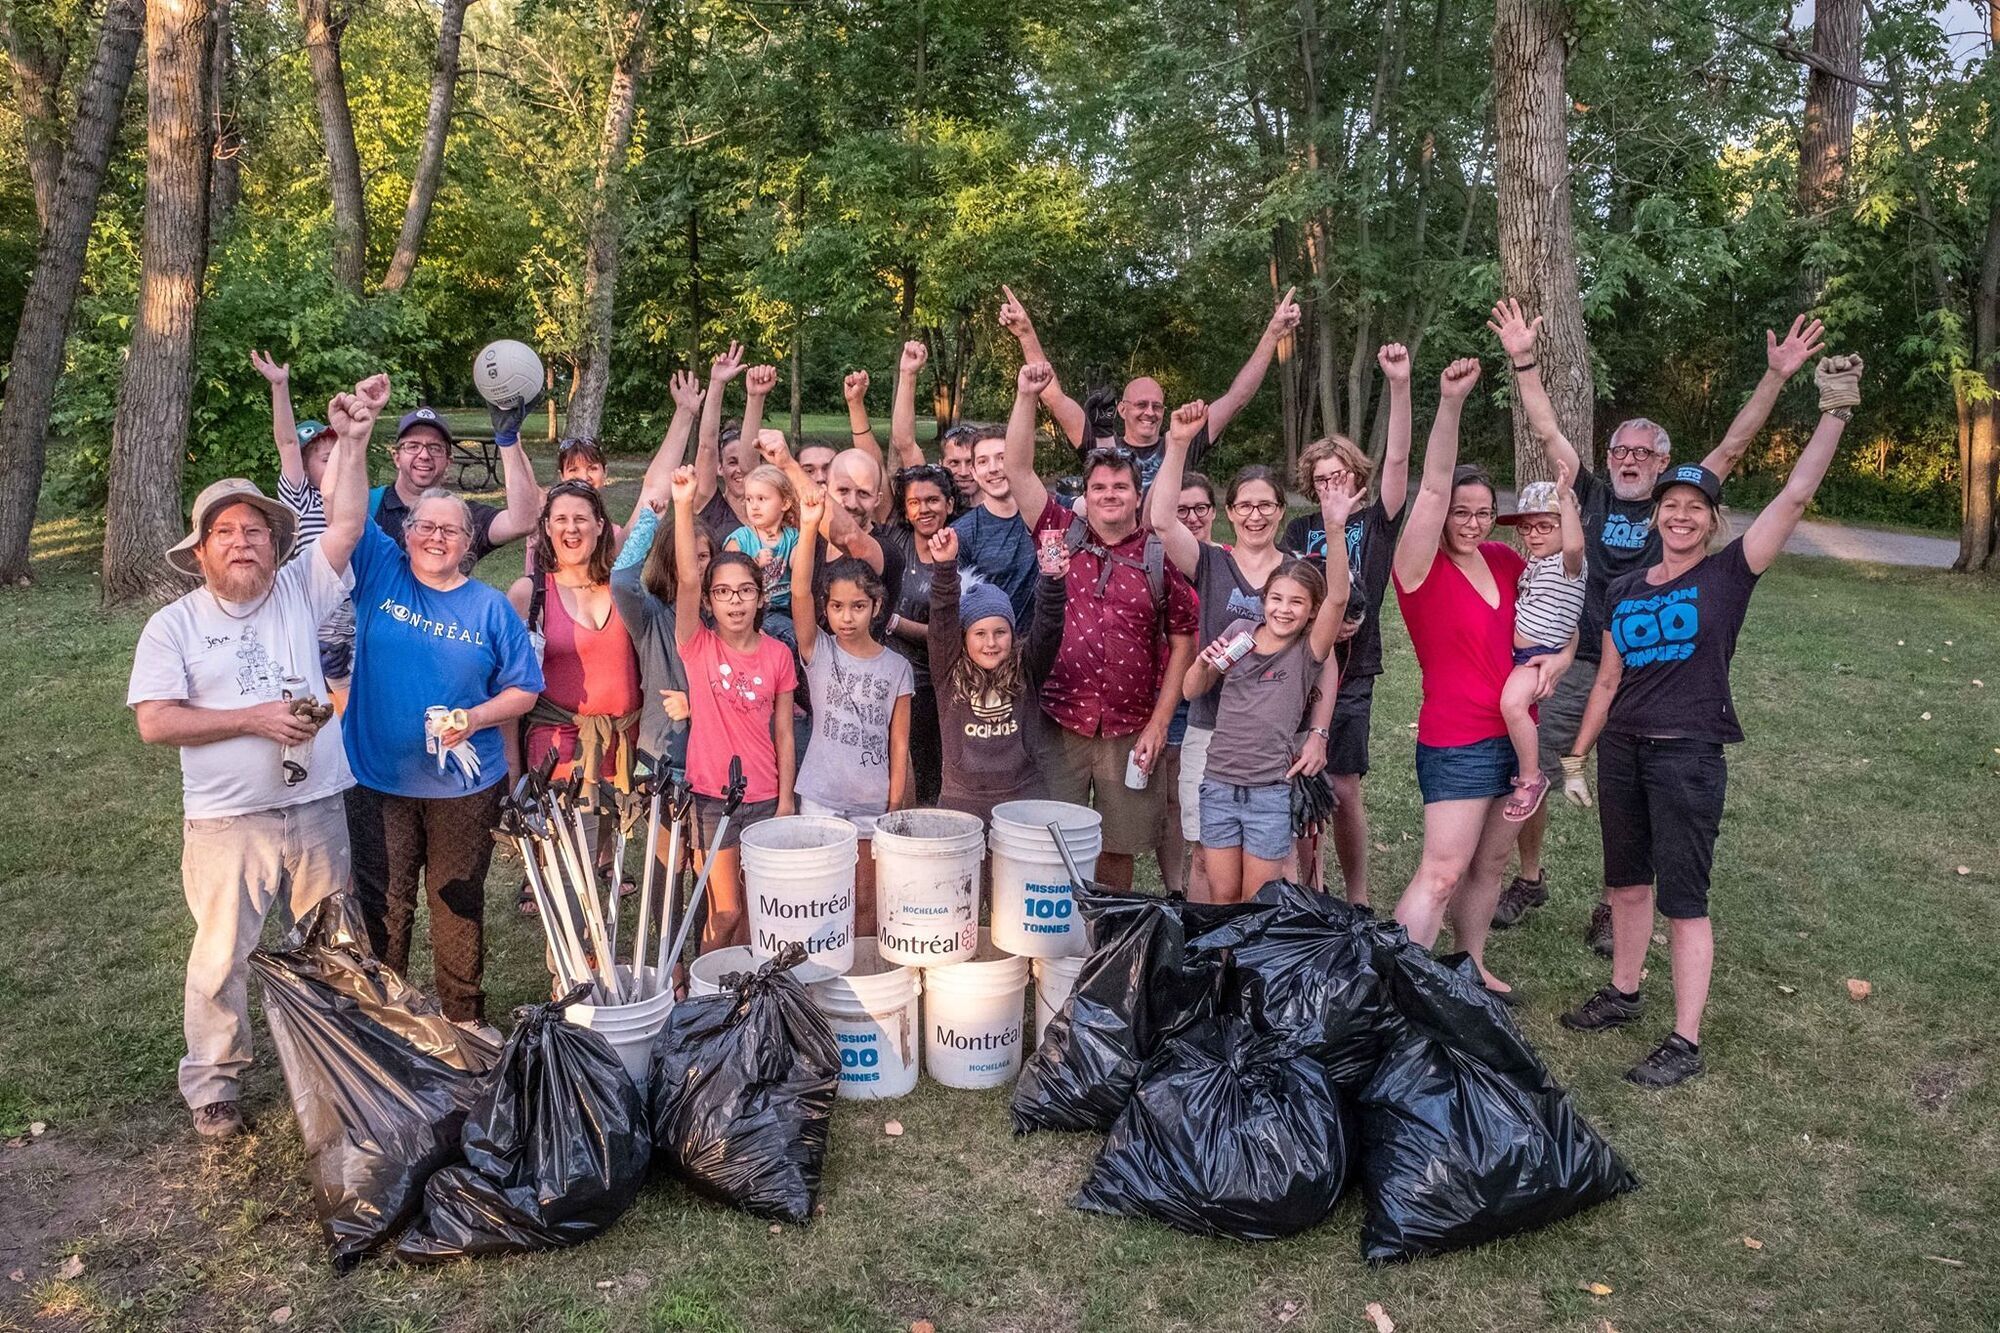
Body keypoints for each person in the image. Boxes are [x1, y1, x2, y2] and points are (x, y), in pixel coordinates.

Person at [1558, 355, 1863, 1088]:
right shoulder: (1628, 588)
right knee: (1626, 884)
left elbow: (1794, 495)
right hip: (1622, 750)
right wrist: (1574, 758)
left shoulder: (1729, 573)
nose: (1682, 515)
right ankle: (1624, 992)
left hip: (1688, 755)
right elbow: (1607, 678)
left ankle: (1685, 1039)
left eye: (1696, 507)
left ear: (1712, 519)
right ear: (1657, 514)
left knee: (1684, 900)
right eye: (1672, 505)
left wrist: (1834, 411)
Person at [1485, 299, 1826, 944]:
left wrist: (1776, 375)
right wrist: (1523, 360)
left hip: (1645, 671)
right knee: (1534, 771)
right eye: (1621, 449)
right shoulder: (1591, 494)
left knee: (1627, 789)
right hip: (1573, 660)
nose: (1630, 458)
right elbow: (1547, 429)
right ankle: (1529, 878)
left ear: (1662, 464)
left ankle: (1615, 905)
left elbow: (1734, 444)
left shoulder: (1676, 505)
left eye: (1643, 452)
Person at [128, 376, 383, 1138]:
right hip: (227, 818)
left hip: (316, 802)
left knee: (334, 941)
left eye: (255, 531)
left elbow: (346, 520)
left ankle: (337, 1063)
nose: (242, 542)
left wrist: (357, 439)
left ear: (276, 542)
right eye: (226, 532)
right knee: (221, 954)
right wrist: (254, 718)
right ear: (201, 550)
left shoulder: (300, 589)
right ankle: (214, 1081)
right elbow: (155, 720)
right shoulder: (175, 626)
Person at [334, 386, 543, 1035]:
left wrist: (475, 719)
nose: (435, 537)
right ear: (405, 533)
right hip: (379, 777)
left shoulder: (488, 607)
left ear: (467, 542)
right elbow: (345, 514)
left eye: (450, 529)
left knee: (456, 901)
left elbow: (524, 689)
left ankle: (464, 1018)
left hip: (463, 785)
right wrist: (355, 439)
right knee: (386, 902)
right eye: (425, 526)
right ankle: (387, 1017)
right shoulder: (381, 571)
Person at [1389, 357, 1567, 1001]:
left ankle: (1469, 964)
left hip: (1517, 738)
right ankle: (1394, 986)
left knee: (1490, 865)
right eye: (1461, 512)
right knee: (1442, 872)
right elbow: (1432, 486)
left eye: (1484, 512)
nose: (1471, 523)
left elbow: (1561, 614)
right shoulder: (1417, 565)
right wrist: (1451, 403)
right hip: (1457, 740)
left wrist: (1559, 660)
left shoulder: (1505, 559)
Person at [1002, 360, 1198, 889]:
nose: (1110, 494)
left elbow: (1183, 639)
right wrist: (1026, 396)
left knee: (1117, 848)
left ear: (1138, 495)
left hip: (1131, 726)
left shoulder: (1160, 554)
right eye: (1100, 487)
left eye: (1121, 487)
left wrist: (1160, 723)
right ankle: (1054, 931)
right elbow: (1018, 470)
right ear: (1084, 496)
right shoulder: (1059, 533)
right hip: (1059, 720)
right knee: (1052, 843)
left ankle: (1107, 932)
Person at [1150, 405, 1303, 899]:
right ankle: (1207, 945)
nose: (1255, 515)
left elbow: (1324, 662)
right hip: (1210, 728)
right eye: (1245, 506)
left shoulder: (1299, 573)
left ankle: (1264, 944)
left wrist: (1318, 732)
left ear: (1281, 510)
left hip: (1276, 737)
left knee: (1277, 861)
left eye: (1266, 505)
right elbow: (1160, 521)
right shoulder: (1212, 562)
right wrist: (1177, 444)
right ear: (1230, 512)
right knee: (1204, 855)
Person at [1280, 345, 1413, 903]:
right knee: (1301, 778)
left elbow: (1399, 462)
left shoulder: (1376, 522)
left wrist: (1399, 385)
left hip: (1355, 671)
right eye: (1321, 479)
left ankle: (1357, 896)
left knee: (1342, 785)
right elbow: (1285, 591)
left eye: (1339, 475)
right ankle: (1311, 889)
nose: (1331, 485)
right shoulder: (1299, 530)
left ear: (1356, 476)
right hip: (1305, 665)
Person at [670, 464, 797, 952]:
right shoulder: (697, 645)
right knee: (724, 911)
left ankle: (748, 988)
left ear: (761, 597)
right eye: (722, 592)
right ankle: (708, 986)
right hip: (712, 798)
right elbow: (687, 578)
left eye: (745, 591)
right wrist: (684, 506)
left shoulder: (778, 655)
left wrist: (786, 800)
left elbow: (783, 733)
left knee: (760, 909)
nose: (735, 601)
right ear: (709, 602)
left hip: (766, 797)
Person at [997, 283, 1301, 488]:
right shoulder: (1101, 442)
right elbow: (1052, 395)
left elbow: (1237, 398)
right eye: (1141, 405)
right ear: (1121, 409)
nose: (1150, 412)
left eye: (1157, 406)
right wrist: (1026, 333)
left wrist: (1273, 334)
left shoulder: (1180, 442)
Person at [1181, 544, 1350, 905]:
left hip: (1268, 792)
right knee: (1223, 896)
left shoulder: (1308, 650)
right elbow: (1192, 690)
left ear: (1312, 611)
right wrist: (1202, 664)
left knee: (1257, 901)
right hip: (1219, 785)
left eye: (1296, 602)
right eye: (1276, 599)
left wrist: (1335, 530)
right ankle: (1221, 947)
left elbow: (1338, 597)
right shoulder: (1241, 632)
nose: (1283, 609)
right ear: (1264, 600)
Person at [506, 479, 642, 905]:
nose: (571, 528)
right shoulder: (530, 592)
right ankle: (571, 947)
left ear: (601, 526)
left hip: (621, 744)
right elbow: (509, 688)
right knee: (568, 867)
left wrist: (692, 429)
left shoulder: (623, 587)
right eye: (560, 519)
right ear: (546, 527)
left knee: (604, 847)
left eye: (581, 518)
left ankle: (599, 937)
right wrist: (513, 775)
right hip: (559, 746)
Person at [790, 489, 914, 939]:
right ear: (826, 609)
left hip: (872, 803)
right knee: (819, 895)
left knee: (865, 900)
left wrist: (894, 806)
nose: (847, 617)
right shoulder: (818, 651)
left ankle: (860, 971)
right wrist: (808, 528)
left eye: (858, 606)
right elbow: (799, 591)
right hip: (821, 797)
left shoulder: (897, 668)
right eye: (837, 607)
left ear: (876, 607)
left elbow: (899, 743)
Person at [926, 526, 1070, 824]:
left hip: (1024, 798)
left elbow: (1049, 625)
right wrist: (945, 567)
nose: (990, 642)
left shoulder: (1027, 668)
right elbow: (941, 619)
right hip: (961, 800)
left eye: (1000, 632)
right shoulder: (948, 670)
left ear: (1013, 634)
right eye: (980, 633)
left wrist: (1053, 580)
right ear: (963, 637)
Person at [609, 370, 709, 782]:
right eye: (688, 557)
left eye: (704, 556)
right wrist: (649, 522)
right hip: (661, 758)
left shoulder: (726, 621)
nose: (696, 565)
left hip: (714, 756)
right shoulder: (651, 618)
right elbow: (621, 581)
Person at [250, 349, 358, 693]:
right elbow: (286, 443)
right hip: (315, 606)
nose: (335, 463)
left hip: (350, 607)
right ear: (305, 468)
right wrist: (280, 387)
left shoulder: (350, 501)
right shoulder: (300, 498)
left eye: (338, 456)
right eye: (326, 459)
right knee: (324, 680)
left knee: (352, 681)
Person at [1496, 463, 1586, 821]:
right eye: (1527, 527)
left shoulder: (1569, 564)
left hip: (1537, 657)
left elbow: (1575, 545)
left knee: (1512, 704)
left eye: (1545, 526)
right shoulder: (1535, 562)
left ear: (1567, 525)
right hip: (1523, 655)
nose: (1534, 535)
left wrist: (1564, 498)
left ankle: (1531, 777)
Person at [371, 404, 540, 571]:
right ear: (396, 457)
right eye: (413, 446)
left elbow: (523, 523)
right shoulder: (367, 507)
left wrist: (508, 440)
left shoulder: (463, 517)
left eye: (435, 448)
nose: (424, 455)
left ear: (448, 461)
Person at [882, 462, 962, 804]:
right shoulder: (895, 541)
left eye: (932, 500)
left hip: (934, 683)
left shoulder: (959, 550)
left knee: (930, 772)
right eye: (914, 502)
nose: (924, 509)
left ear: (949, 504)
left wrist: (896, 623)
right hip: (889, 677)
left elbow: (954, 633)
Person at [950, 427, 1036, 623]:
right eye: (983, 461)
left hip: (1054, 638)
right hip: (997, 639)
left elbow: (1095, 502)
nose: (993, 468)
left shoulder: (1049, 510)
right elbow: (956, 609)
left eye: (1002, 458)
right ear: (974, 472)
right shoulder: (961, 533)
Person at [691, 342, 773, 544]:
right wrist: (717, 383)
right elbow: (707, 446)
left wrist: (756, 397)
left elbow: (749, 466)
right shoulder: (711, 507)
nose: (739, 470)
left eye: (741, 461)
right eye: (732, 462)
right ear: (719, 467)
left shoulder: (774, 513)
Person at [723, 463, 802, 638]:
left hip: (787, 608)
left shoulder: (792, 536)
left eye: (761, 499)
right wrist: (754, 564)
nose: (754, 506)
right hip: (752, 609)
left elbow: (799, 567)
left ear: (785, 503)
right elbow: (726, 576)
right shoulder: (741, 539)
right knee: (791, 637)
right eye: (749, 499)